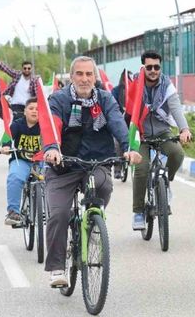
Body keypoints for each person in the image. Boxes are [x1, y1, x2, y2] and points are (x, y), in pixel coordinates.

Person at [43, 56, 142, 287]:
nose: (85, 79)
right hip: (63, 166)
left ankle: (92, 223)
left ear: (95, 77)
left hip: (96, 163)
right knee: (59, 215)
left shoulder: (106, 99)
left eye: (89, 74)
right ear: (72, 76)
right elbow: (52, 126)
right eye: (80, 74)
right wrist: (51, 149)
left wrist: (128, 148)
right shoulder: (59, 99)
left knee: (104, 185)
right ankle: (57, 267)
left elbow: (118, 122)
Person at [131, 50, 192, 230]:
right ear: (143, 67)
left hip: (162, 132)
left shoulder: (167, 86)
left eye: (156, 67)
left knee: (177, 153)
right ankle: (138, 212)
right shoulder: (135, 84)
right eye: (149, 67)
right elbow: (127, 107)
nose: (153, 70)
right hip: (140, 135)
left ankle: (166, 182)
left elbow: (175, 108)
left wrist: (184, 129)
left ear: (160, 67)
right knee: (141, 169)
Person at [0, 98, 41, 225]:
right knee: (14, 177)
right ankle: (13, 211)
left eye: (38, 109)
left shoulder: (45, 126)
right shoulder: (17, 124)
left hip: (40, 161)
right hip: (21, 160)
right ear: (24, 111)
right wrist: (6, 146)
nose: (34, 111)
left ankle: (53, 211)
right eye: (31, 108)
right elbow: (7, 136)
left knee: (51, 180)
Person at [0, 52, 39, 121]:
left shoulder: (34, 80)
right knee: (16, 123)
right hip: (15, 105)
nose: (27, 70)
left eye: (28, 68)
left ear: (31, 69)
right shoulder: (17, 75)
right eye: (25, 68)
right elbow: (6, 69)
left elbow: (38, 95)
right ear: (22, 69)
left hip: (27, 106)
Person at [110, 69, 132, 178]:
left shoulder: (134, 90)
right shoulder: (115, 91)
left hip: (132, 122)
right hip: (119, 121)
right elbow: (112, 106)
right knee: (116, 143)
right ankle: (117, 169)